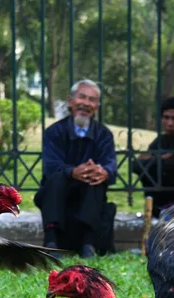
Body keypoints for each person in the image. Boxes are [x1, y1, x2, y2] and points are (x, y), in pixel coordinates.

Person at [34, 79, 118, 258]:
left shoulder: (104, 134)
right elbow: (51, 166)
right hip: (58, 195)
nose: (86, 103)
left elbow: (111, 165)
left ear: (97, 107)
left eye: (92, 100)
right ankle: (51, 242)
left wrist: (102, 172)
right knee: (57, 177)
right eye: (82, 97)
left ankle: (88, 245)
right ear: (70, 101)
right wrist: (72, 172)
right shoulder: (54, 131)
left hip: (89, 197)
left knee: (95, 179)